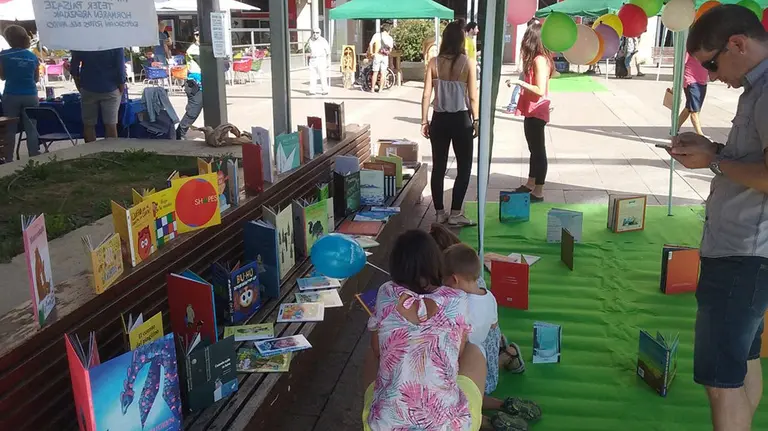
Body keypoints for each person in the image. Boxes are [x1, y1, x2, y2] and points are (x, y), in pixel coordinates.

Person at [667, 5, 768, 431]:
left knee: (721, 382)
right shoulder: (755, 88)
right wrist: (714, 150)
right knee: (740, 364)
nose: (709, 76)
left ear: (738, 44)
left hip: (744, 253)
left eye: (710, 64)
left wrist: (715, 159)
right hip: (745, 250)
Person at [361, 229, 485, 431]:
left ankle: (380, 406)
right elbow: (459, 353)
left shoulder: (386, 293)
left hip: (385, 426)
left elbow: (377, 350)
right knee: (474, 352)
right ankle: (480, 411)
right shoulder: (457, 299)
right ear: (437, 262)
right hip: (448, 425)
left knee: (372, 353)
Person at [443, 243, 542, 430]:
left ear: (454, 280)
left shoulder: (460, 307)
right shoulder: (488, 296)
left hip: (470, 369)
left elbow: (458, 345)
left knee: (453, 392)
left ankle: (487, 421)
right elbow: (494, 327)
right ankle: (504, 404)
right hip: (485, 365)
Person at [420, 21, 479, 226]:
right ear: (461, 40)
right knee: (464, 167)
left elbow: (426, 94)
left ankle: (439, 213)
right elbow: (473, 97)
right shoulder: (468, 63)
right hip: (461, 120)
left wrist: (423, 121)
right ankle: (455, 213)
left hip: (439, 120)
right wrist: (477, 120)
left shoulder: (433, 63)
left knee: (438, 167)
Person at [506, 21, 553, 202]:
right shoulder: (539, 59)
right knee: (534, 149)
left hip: (536, 110)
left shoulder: (539, 60)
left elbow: (540, 89)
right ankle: (530, 183)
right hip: (531, 109)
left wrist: (519, 83)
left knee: (538, 150)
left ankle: (538, 190)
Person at [0, 25, 40, 162]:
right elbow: (36, 79)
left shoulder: (3, 55)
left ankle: (8, 160)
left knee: (9, 129)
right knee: (32, 128)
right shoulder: (32, 56)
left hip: (11, 94)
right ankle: (34, 158)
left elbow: (2, 77)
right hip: (30, 94)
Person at [70, 48, 127, 143]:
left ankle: (90, 153)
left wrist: (79, 85)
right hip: (110, 88)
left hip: (88, 87)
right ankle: (111, 153)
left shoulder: (81, 43)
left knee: (89, 124)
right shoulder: (116, 44)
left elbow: (74, 67)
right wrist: (121, 88)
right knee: (111, 124)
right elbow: (121, 69)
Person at [505, 18, 539, 114]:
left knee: (525, 85)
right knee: (519, 85)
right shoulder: (527, 38)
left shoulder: (533, 38)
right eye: (536, 25)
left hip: (530, 65)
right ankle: (512, 105)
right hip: (526, 66)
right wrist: (521, 65)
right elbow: (523, 53)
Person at [177, 28, 203, 140]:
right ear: (196, 36)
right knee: (193, 111)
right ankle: (179, 134)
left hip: (203, 83)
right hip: (194, 84)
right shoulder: (193, 50)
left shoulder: (201, 48)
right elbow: (205, 63)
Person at [677, 52, 709, 135]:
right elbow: (680, 65)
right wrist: (676, 83)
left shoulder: (707, 48)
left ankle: (674, 128)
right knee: (694, 111)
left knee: (689, 108)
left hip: (703, 82)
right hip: (691, 81)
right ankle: (700, 135)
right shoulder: (690, 48)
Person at [368, 23, 393, 93]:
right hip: (385, 56)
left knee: (375, 72)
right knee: (383, 73)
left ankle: (372, 89)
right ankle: (380, 89)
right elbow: (390, 49)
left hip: (377, 55)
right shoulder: (390, 38)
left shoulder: (376, 35)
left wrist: (371, 52)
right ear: (388, 30)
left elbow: (370, 44)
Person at [306, 27, 330, 95]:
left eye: (317, 32)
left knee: (322, 75)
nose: (315, 34)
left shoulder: (323, 40)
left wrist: (327, 62)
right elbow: (307, 50)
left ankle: (325, 90)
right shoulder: (310, 40)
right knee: (312, 75)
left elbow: (328, 52)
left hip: (321, 59)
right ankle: (312, 91)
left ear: (320, 33)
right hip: (312, 59)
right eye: (314, 32)